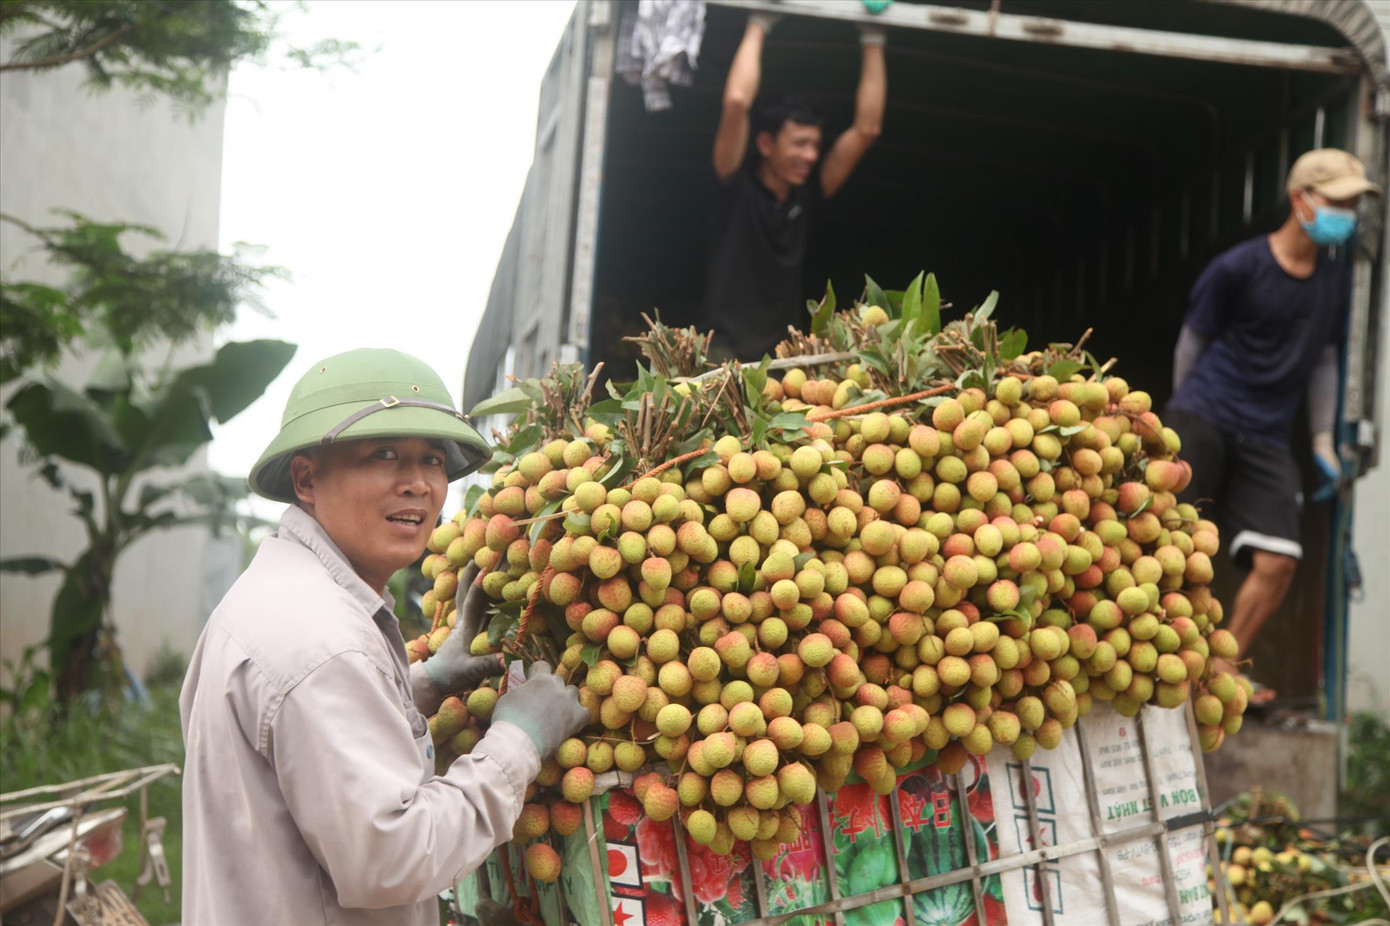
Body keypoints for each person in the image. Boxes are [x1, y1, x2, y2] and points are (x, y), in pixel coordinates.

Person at [179, 348, 589, 925]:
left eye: (433, 460)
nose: (417, 484)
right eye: (384, 455)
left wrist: (422, 685)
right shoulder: (323, 644)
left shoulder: (277, 598)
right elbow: (393, 858)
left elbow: (304, 747)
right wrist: (518, 741)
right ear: (306, 479)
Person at [1165, 148, 1380, 668]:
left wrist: (1322, 439)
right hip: (1205, 412)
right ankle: (1166, 662)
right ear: (1299, 199)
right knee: (1172, 548)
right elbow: (1192, 342)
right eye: (1337, 202)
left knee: (1280, 560)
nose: (1347, 215)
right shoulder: (1238, 267)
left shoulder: (1336, 281)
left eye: (1353, 205)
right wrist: (1177, 422)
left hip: (1267, 431)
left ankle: (1217, 668)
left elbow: (1325, 361)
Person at [702, 12, 887, 361]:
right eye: (800, 143)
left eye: (815, 145)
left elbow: (868, 129)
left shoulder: (807, 194)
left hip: (785, 359)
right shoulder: (733, 185)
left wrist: (872, 35)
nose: (811, 155)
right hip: (723, 356)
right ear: (766, 144)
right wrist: (759, 23)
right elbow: (737, 101)